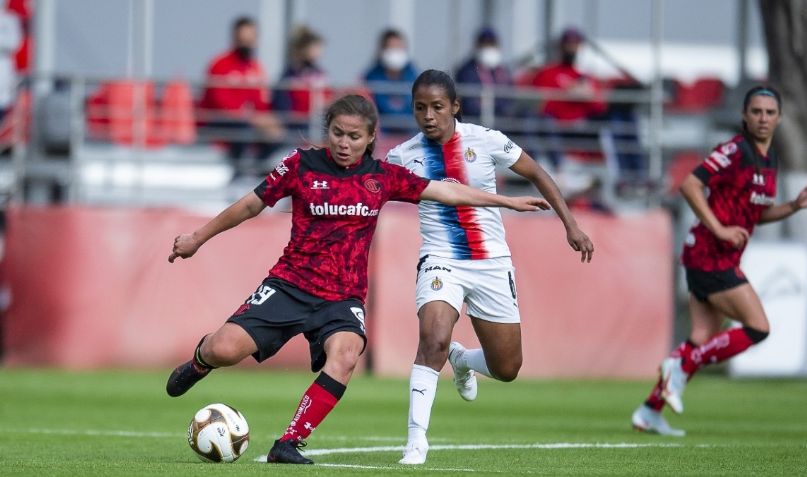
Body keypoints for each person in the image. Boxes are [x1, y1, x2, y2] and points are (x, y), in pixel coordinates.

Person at [165, 94, 550, 465]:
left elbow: (446, 190)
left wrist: (508, 201)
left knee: (346, 354)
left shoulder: (381, 177)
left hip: (342, 297)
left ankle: (290, 441)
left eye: (353, 136)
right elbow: (252, 203)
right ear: (327, 131)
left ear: (370, 139)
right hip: (289, 284)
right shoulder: (301, 165)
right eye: (337, 133)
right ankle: (200, 362)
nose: (344, 143)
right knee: (224, 350)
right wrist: (197, 238)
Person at [387, 70, 594, 465]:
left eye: (436, 107)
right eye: (420, 108)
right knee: (432, 340)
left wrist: (571, 224)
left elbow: (536, 173)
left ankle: (463, 361)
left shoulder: (486, 140)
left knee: (507, 367)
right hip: (441, 259)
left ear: (455, 107)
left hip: (491, 263)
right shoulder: (402, 156)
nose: (428, 116)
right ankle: (415, 442)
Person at [630, 86, 807, 436]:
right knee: (758, 327)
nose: (763, 118)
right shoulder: (734, 151)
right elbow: (689, 185)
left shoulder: (769, 159)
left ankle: (649, 411)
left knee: (702, 336)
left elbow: (755, 216)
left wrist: (794, 206)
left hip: (717, 255)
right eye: (757, 111)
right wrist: (718, 228)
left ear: (778, 118)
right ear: (744, 116)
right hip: (709, 255)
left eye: (769, 112)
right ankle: (680, 366)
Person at [198, 16, 284, 169]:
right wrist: (253, 119)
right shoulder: (220, 64)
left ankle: (256, 170)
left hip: (248, 122)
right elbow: (220, 103)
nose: (246, 43)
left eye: (250, 39)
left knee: (282, 133)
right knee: (243, 130)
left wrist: (268, 120)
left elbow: (261, 103)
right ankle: (239, 172)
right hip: (220, 121)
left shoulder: (255, 68)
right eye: (242, 38)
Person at [531, 27, 608, 168]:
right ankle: (559, 168)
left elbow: (600, 107)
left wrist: (587, 95)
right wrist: (567, 93)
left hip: (581, 129)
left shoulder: (586, 77)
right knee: (544, 123)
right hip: (556, 127)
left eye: (575, 44)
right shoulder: (548, 73)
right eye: (568, 44)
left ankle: (627, 176)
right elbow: (541, 105)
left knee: (615, 123)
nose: (571, 48)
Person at [271, 25, 329, 137]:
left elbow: (326, 100)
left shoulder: (320, 74)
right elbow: (282, 105)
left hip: (316, 125)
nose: (318, 52)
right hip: (296, 127)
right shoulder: (290, 75)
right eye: (315, 48)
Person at [363, 28, 418, 134]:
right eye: (391, 47)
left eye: (398, 47)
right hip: (381, 135)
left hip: (411, 133)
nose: (395, 51)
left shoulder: (415, 77)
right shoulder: (370, 77)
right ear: (382, 50)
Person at [454, 27, 512, 121]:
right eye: (485, 44)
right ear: (477, 46)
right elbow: (469, 104)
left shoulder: (503, 70)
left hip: (501, 120)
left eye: (492, 44)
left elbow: (510, 98)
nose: (489, 48)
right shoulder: (466, 71)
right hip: (475, 121)